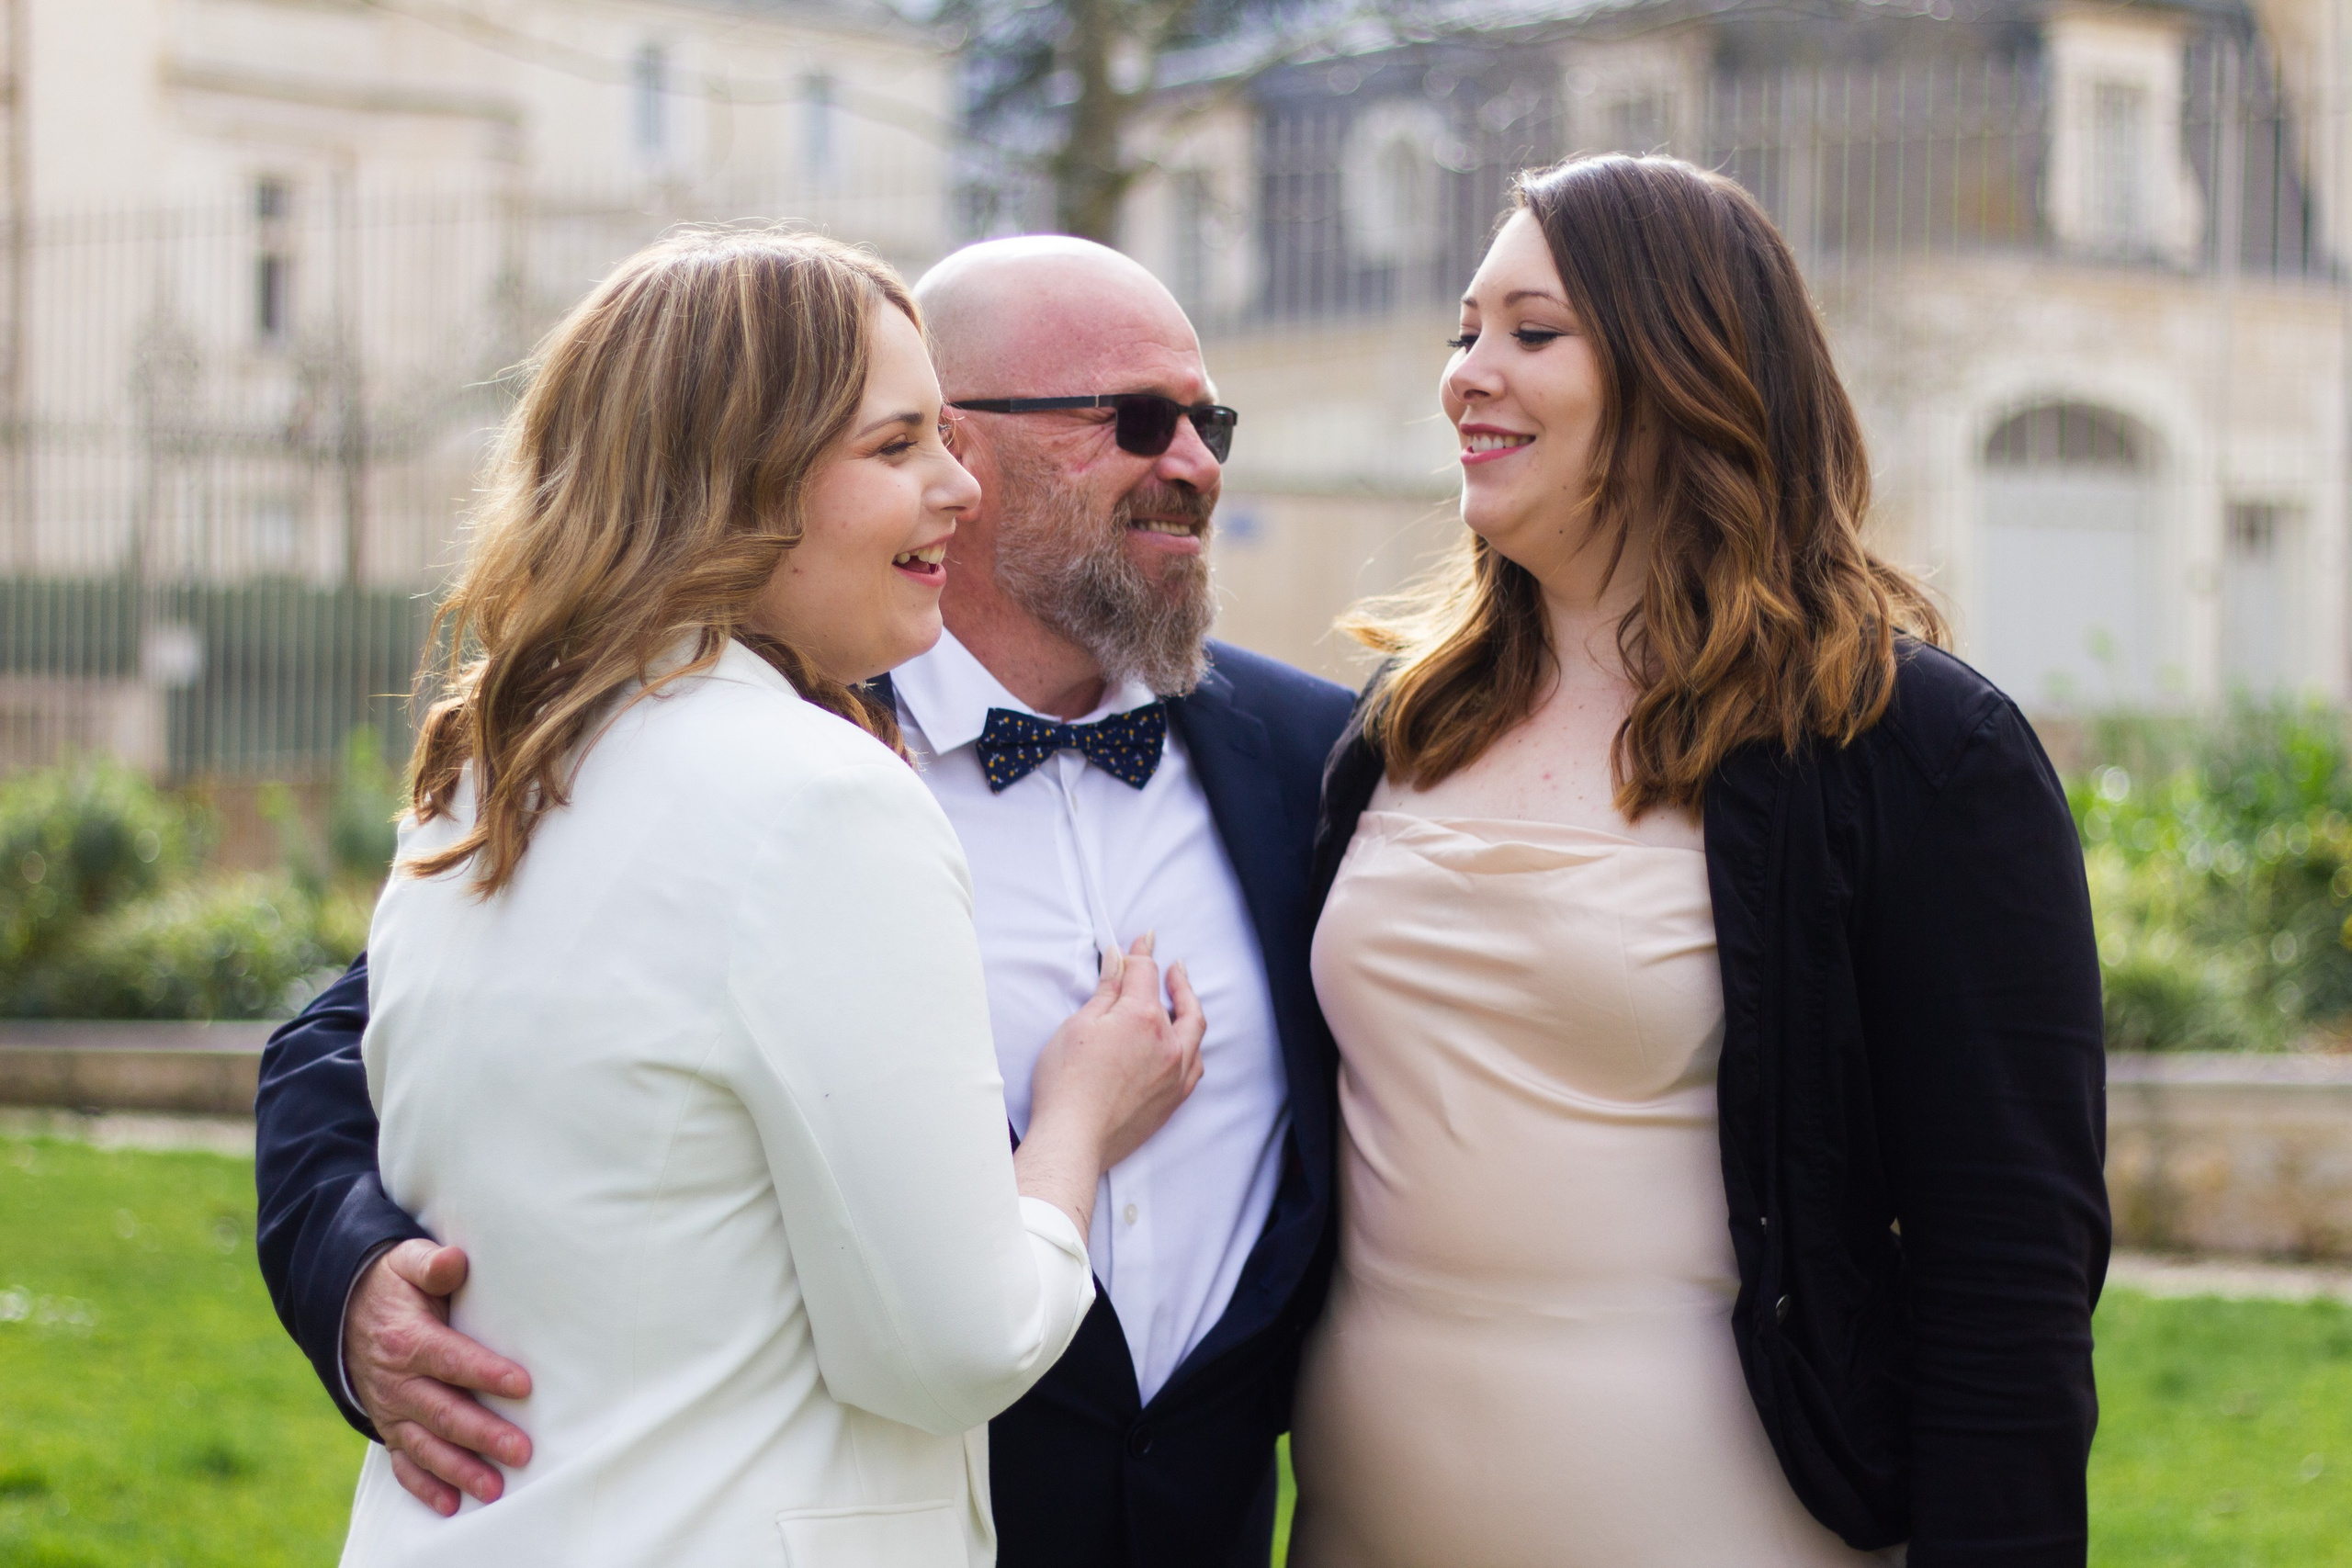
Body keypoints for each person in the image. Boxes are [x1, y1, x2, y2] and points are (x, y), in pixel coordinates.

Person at [255, 235, 1355, 1568]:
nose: (1193, 463)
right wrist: (355, 1274)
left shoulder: (1314, 757)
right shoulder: (806, 775)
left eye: (1207, 420)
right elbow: (349, 1046)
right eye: (1131, 420)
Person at [1291, 154, 2109, 1568]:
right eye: (1464, 332)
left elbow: (2010, 1278)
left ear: (1690, 366)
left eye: (1533, 334)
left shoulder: (1910, 746)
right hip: (1365, 1521)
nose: (1469, 375)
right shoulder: (1405, 723)